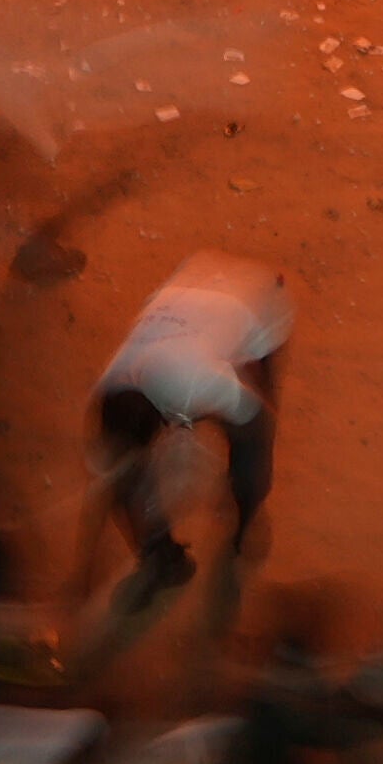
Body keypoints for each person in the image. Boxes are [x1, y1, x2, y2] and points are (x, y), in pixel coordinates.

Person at [76, 257, 286, 672]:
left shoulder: (193, 384)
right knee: (126, 480)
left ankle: (242, 530)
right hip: (191, 293)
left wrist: (241, 490)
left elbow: (257, 423)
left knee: (249, 446)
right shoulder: (110, 388)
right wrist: (85, 568)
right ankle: (164, 558)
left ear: (166, 417)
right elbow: (112, 480)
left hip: (260, 301)